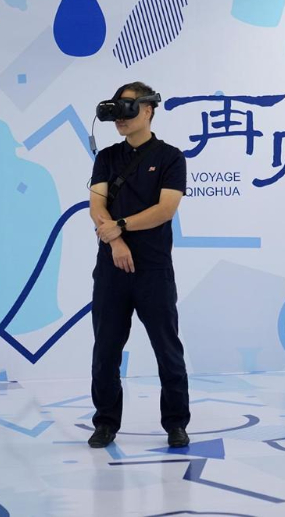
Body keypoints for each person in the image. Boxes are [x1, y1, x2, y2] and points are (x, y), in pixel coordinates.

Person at [88, 81, 190, 449]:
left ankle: (176, 424)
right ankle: (105, 423)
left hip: (153, 269)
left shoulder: (171, 158)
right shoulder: (106, 158)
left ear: (148, 110)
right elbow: (96, 206)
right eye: (115, 109)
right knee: (106, 351)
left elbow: (165, 209)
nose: (120, 117)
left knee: (167, 349)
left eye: (128, 108)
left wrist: (121, 225)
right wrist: (115, 241)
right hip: (111, 268)